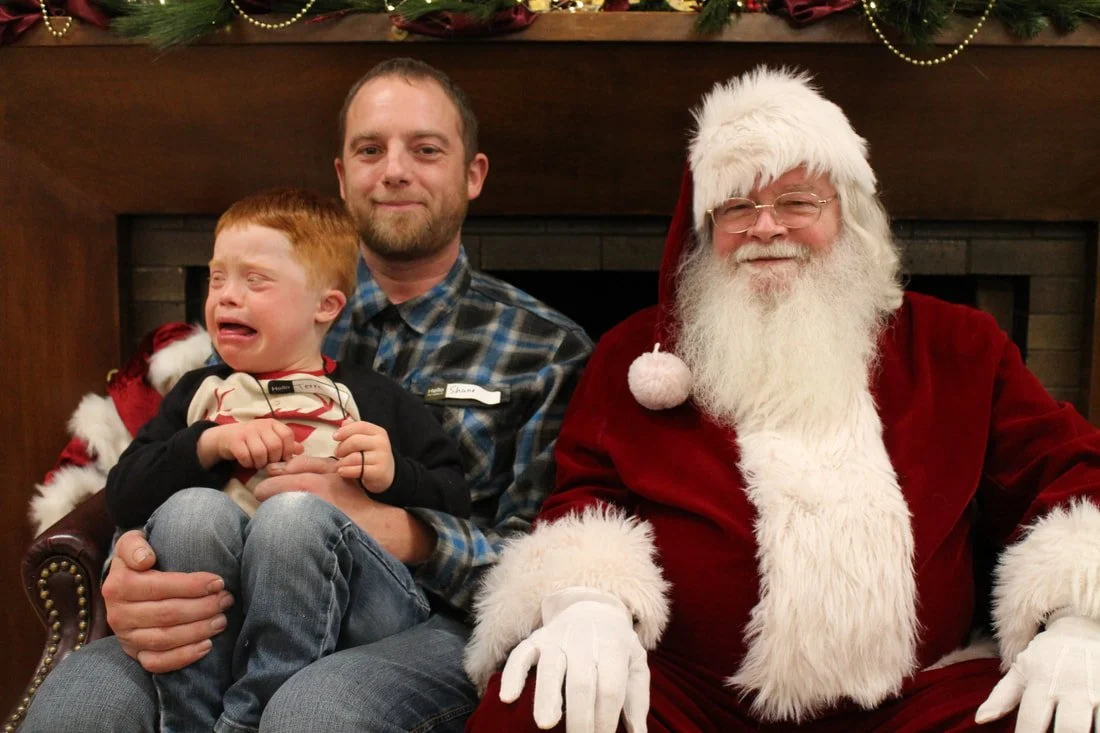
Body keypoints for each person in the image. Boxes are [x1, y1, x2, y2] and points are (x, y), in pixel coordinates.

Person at [463, 66, 1100, 733]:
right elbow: (585, 493)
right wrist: (586, 599)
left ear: (846, 216)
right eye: (737, 206)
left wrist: (1079, 614)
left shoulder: (958, 345)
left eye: (798, 202)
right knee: (533, 710)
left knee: (1069, 711)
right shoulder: (639, 354)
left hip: (919, 699)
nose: (766, 227)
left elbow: (1069, 472)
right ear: (707, 227)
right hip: (690, 697)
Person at [23, 58, 592, 733]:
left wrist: (396, 528)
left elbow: (547, 559)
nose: (395, 170)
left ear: (473, 175)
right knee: (81, 699)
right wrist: (133, 564)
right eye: (370, 149)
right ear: (343, 175)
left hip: (425, 622)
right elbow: (168, 461)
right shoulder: (264, 316)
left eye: (427, 149)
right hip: (232, 599)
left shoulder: (548, 347)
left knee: (311, 710)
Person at [101, 187, 470, 732]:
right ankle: (191, 720)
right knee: (191, 513)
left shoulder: (369, 395)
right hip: (222, 609)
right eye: (217, 277)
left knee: (292, 516)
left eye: (255, 280)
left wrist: (392, 475)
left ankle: (250, 721)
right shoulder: (199, 395)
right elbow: (123, 492)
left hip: (348, 611)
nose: (227, 296)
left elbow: (454, 494)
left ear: (325, 306)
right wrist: (207, 444)